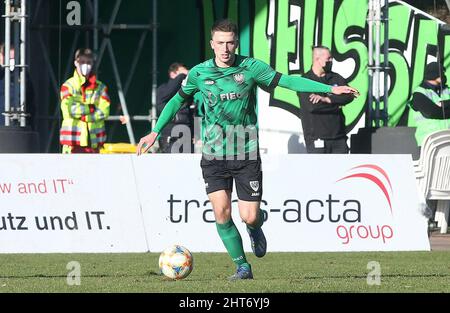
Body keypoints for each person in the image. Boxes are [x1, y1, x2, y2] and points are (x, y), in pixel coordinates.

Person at [137, 19, 358, 280]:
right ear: (212, 44)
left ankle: (256, 225)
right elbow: (177, 100)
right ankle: (242, 266)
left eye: (230, 42)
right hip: (213, 155)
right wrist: (155, 131)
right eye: (220, 43)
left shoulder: (251, 68)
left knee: (249, 216)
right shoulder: (198, 73)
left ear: (236, 43)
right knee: (221, 212)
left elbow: (287, 82)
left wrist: (330, 88)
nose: (225, 48)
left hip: (246, 153)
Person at [299, 46, 354, 154]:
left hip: (339, 137)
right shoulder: (305, 80)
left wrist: (328, 99)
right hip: (316, 138)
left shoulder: (336, 78)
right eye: (328, 58)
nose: (331, 61)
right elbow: (312, 107)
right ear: (317, 59)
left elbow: (350, 95)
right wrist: (338, 103)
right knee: (319, 170)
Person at [59, 48, 110, 153]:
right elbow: (70, 110)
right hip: (73, 144)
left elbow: (104, 112)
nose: (85, 65)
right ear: (75, 63)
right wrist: (91, 108)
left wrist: (83, 116)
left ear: (92, 64)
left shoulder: (101, 87)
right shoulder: (67, 86)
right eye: (82, 62)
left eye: (88, 62)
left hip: (94, 145)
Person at [156, 62, 195, 153]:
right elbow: (169, 91)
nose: (184, 77)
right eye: (181, 74)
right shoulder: (163, 89)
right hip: (170, 139)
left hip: (187, 138)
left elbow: (194, 113)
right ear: (172, 74)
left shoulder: (188, 93)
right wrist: (182, 75)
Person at [409, 61, 450, 147]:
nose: (444, 75)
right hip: (429, 143)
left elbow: (439, 111)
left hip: (447, 140)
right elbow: (432, 113)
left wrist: (444, 104)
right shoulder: (419, 93)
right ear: (434, 74)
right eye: (442, 72)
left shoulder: (447, 90)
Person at [0, 42, 36, 129]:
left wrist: (30, 125)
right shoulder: (1, 74)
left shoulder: (23, 75)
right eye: (7, 56)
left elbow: (31, 102)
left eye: (13, 57)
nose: (11, 60)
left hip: (17, 126)